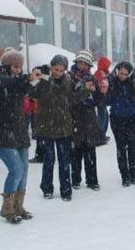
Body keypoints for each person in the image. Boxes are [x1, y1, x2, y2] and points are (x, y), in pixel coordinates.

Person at [31, 54, 92, 201]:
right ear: (51, 67)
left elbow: (72, 99)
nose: (57, 72)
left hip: (63, 126)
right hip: (46, 126)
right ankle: (47, 187)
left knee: (65, 160)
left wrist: (85, 90)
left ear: (65, 70)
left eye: (61, 70)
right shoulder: (45, 79)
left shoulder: (68, 81)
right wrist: (37, 78)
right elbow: (33, 92)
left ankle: (66, 189)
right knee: (49, 159)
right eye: (55, 69)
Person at [0, 48, 37, 223]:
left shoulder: (18, 81)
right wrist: (27, 79)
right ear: (6, 65)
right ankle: (7, 208)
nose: (17, 69)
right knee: (16, 170)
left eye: (20, 66)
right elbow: (7, 84)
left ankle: (18, 205)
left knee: (24, 170)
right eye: (14, 66)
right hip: (2, 133)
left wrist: (36, 80)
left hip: (19, 131)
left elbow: (24, 88)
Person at [69, 50, 107, 191]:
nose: (82, 66)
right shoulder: (70, 78)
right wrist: (83, 91)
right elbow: (71, 99)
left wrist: (101, 94)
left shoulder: (92, 79)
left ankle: (92, 180)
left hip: (89, 119)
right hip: (75, 118)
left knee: (90, 151)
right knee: (76, 151)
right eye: (80, 63)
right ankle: (75, 179)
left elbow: (97, 101)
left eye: (85, 64)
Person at [106, 62, 135, 187]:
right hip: (117, 118)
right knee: (121, 147)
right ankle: (124, 174)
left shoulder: (134, 84)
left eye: (126, 74)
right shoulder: (112, 83)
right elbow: (107, 101)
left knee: (132, 146)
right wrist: (106, 92)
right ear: (116, 72)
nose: (123, 76)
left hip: (132, 117)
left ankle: (133, 172)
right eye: (121, 73)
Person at [94, 56, 111, 145]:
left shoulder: (102, 72)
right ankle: (100, 135)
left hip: (102, 98)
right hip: (100, 98)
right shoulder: (100, 73)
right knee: (102, 117)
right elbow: (102, 84)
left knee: (104, 116)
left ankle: (102, 134)